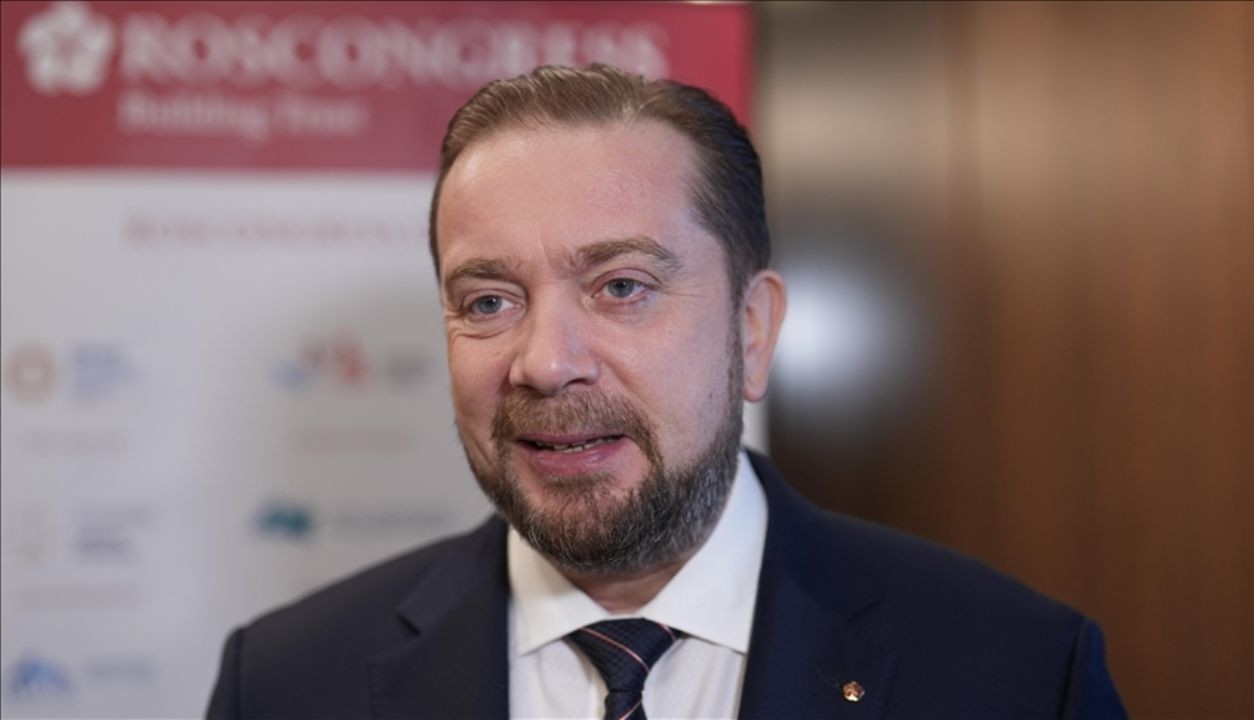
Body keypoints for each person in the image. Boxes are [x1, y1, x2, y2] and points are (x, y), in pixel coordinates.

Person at [207, 64, 1126, 720]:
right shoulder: (286, 684)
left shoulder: (1016, 672)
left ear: (751, 330)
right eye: (488, 301)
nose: (545, 362)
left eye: (622, 287)